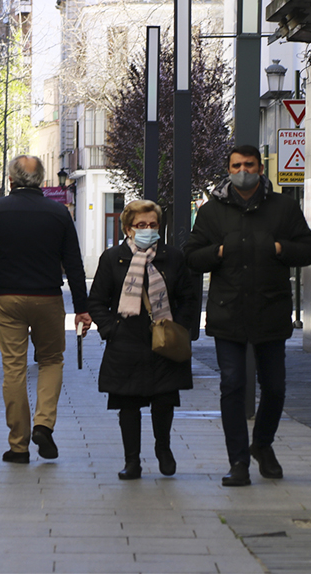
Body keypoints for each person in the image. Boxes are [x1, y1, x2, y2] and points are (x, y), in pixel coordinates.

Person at [184, 145, 311, 486]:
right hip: (228, 312)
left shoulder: (283, 208)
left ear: (261, 168)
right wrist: (219, 251)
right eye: (236, 165)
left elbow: (309, 249)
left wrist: (278, 248)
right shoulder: (213, 211)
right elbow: (192, 255)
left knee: (274, 387)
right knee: (232, 385)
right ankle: (238, 462)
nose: (242, 170)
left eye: (249, 164)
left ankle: (262, 444)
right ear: (228, 169)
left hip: (270, 310)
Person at [0, 155, 92, 464]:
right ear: (41, 180)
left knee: (14, 368)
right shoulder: (58, 212)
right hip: (47, 297)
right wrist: (82, 308)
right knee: (52, 360)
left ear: (11, 180)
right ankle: (43, 423)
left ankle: (18, 445)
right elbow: (74, 264)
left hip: (8, 296)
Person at [88, 200, 197, 480]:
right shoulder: (113, 258)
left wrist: (180, 328)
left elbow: (188, 297)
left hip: (165, 341)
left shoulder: (173, 257)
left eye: (153, 225)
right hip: (126, 342)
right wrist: (111, 329)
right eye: (141, 225)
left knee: (164, 400)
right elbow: (98, 300)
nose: (148, 230)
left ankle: (163, 448)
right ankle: (132, 461)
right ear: (127, 228)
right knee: (128, 405)